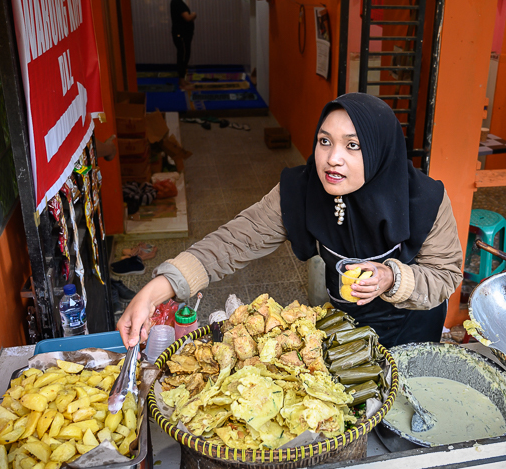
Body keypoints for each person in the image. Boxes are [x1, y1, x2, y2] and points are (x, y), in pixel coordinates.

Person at [117, 93, 463, 350]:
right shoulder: (303, 190)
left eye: (353, 146)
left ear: (380, 150)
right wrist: (155, 291)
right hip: (344, 325)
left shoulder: (426, 201)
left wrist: (392, 277)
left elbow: (446, 274)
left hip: (411, 328)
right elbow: (234, 242)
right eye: (324, 141)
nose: (332, 159)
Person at [170, 0, 196, 89]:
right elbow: (187, 18)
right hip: (181, 35)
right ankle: (181, 80)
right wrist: (194, 14)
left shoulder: (177, 1)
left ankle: (182, 79)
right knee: (183, 56)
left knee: (183, 55)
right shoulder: (177, 2)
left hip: (183, 35)